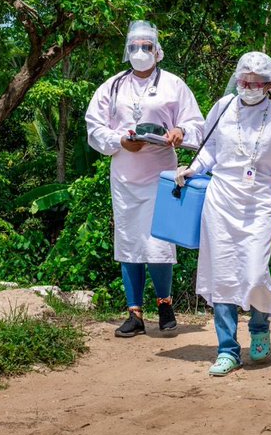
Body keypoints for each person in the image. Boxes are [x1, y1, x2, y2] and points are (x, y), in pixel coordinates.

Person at [176, 51, 271, 377]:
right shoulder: (222, 108)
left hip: (257, 204)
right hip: (220, 201)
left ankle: (260, 325)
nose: (249, 86)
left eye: (256, 82)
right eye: (244, 81)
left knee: (254, 271)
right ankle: (227, 349)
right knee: (221, 276)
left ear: (270, 85)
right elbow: (209, 148)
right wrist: (192, 169)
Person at [85, 20, 205, 338]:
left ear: (157, 51)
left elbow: (196, 123)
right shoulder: (111, 87)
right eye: (135, 47)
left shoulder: (174, 85)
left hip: (161, 173)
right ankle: (134, 312)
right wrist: (120, 142)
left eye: (147, 47)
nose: (141, 52)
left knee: (159, 241)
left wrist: (180, 132)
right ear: (127, 49)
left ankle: (165, 305)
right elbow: (94, 127)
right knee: (129, 240)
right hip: (125, 174)